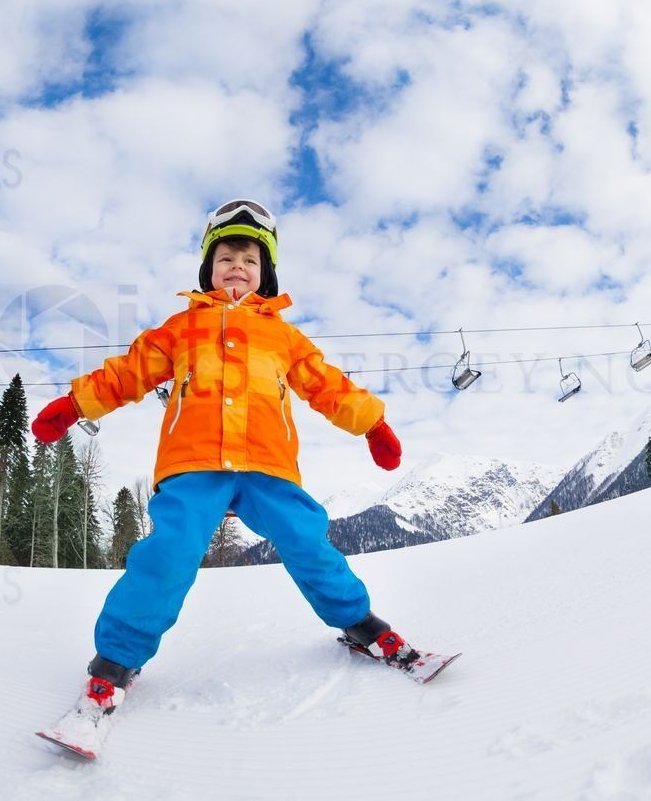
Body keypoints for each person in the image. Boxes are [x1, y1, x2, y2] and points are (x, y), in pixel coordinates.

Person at [31, 199, 412, 738]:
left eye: (250, 260)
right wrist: (74, 405)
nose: (238, 267)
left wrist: (372, 423)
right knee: (168, 556)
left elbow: (329, 385)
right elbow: (127, 372)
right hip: (194, 461)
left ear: (266, 273)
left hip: (267, 463)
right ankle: (115, 662)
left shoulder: (283, 337)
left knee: (309, 544)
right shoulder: (182, 327)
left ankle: (359, 623)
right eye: (226, 257)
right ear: (208, 268)